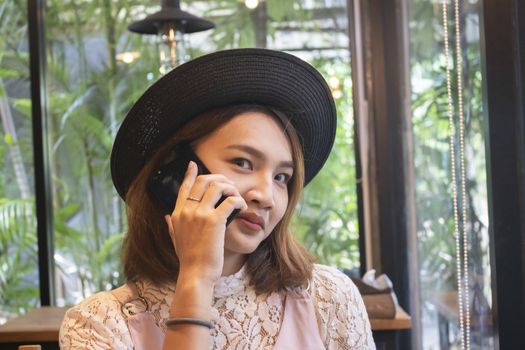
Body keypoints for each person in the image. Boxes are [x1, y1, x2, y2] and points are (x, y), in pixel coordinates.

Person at [59, 48, 375, 349]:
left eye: (282, 177)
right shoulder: (97, 324)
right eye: (242, 163)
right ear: (174, 171)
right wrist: (196, 278)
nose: (266, 196)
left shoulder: (328, 297)